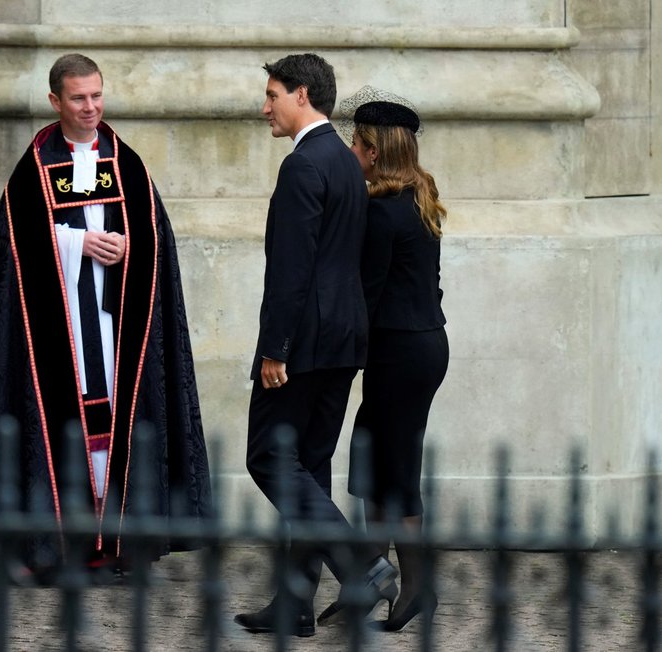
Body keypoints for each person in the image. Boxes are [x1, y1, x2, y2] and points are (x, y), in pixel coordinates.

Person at [0, 53, 212, 575]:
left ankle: (115, 540)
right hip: (58, 330)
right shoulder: (36, 168)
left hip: (112, 326)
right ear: (55, 101)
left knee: (116, 417)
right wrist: (75, 243)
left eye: (97, 96)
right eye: (78, 98)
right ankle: (59, 542)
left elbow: (159, 241)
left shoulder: (125, 163)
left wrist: (128, 247)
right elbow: (10, 249)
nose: (90, 107)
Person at [233, 54, 398, 638]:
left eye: (273, 94)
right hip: (343, 339)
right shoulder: (347, 163)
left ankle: (359, 565)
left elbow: (292, 267)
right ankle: (295, 606)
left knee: (268, 458)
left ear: (301, 95)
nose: (266, 106)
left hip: (302, 344)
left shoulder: (304, 165)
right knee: (310, 465)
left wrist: (274, 348)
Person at [340, 86, 449, 632]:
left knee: (395, 468)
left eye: (355, 144)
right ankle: (371, 580)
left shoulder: (384, 212)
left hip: (401, 352)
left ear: (374, 151)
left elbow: (368, 295)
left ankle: (416, 588)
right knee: (374, 457)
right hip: (420, 345)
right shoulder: (419, 194)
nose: (350, 153)